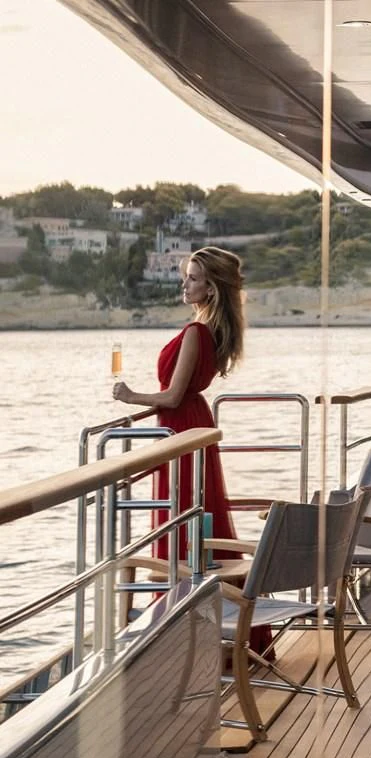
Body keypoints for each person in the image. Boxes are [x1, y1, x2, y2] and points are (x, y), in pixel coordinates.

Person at [112, 247, 267, 648]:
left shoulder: (198, 332)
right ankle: (193, 631)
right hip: (189, 425)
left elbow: (173, 395)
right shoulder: (206, 329)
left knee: (184, 518)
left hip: (182, 428)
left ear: (212, 288)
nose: (185, 284)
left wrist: (130, 396)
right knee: (192, 517)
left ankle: (182, 636)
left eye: (193, 278)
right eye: (186, 276)